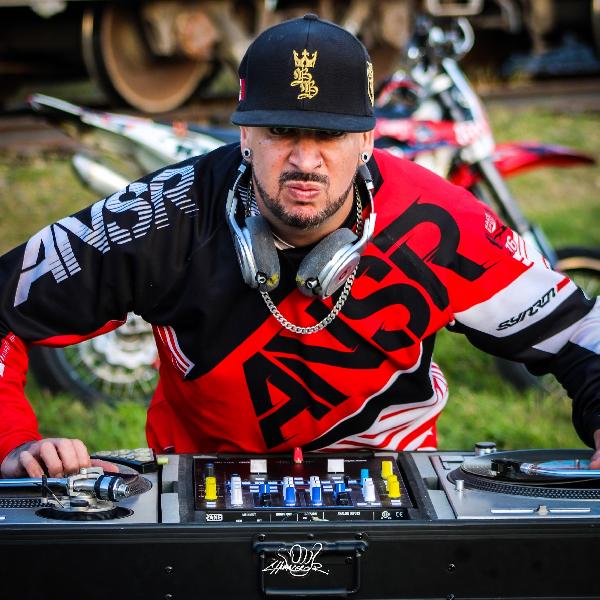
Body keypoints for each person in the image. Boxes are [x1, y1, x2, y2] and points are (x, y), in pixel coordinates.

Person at [1, 14, 599, 479]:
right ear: (244, 133)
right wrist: (13, 442)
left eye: (331, 134)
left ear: (367, 140)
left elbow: (577, 332)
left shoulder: (438, 221)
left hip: (395, 487)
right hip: (200, 497)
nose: (305, 160)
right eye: (281, 130)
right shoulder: (164, 218)